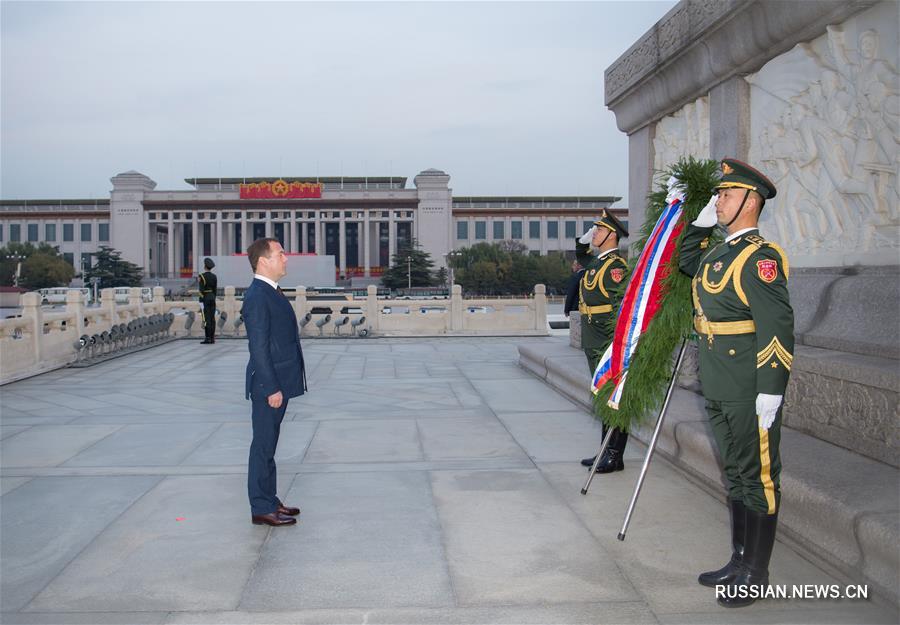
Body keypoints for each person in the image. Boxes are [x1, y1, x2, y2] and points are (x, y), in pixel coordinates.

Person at [678, 158, 794, 608]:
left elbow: (777, 326)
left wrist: (771, 387)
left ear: (752, 200)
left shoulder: (761, 259)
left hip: (748, 383)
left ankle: (756, 573)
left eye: (725, 195)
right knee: (738, 472)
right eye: (719, 195)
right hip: (720, 380)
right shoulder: (720, 252)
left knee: (759, 475)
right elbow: (688, 262)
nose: (718, 201)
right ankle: (739, 559)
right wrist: (698, 224)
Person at [243, 238, 307, 527]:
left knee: (269, 445)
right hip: (268, 385)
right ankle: (261, 506)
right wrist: (271, 388)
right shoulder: (257, 295)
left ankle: (269, 499)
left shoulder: (271, 291)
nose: (286, 258)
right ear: (264, 261)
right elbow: (258, 347)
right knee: (263, 446)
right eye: (280, 254)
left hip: (278, 380)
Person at [575, 211, 630, 473]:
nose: (594, 234)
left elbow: (621, 307)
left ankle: (614, 454)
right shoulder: (598, 263)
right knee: (602, 397)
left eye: (598, 231)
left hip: (606, 340)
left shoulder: (616, 267)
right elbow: (582, 257)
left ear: (612, 235)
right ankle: (605, 450)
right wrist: (581, 241)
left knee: (612, 398)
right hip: (593, 337)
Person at [198, 258, 217, 344]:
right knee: (212, 318)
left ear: (205, 266)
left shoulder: (201, 276)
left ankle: (207, 338)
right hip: (212, 298)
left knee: (206, 318)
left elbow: (201, 290)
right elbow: (215, 290)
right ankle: (212, 338)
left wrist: (201, 302)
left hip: (205, 298)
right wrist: (213, 297)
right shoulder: (214, 276)